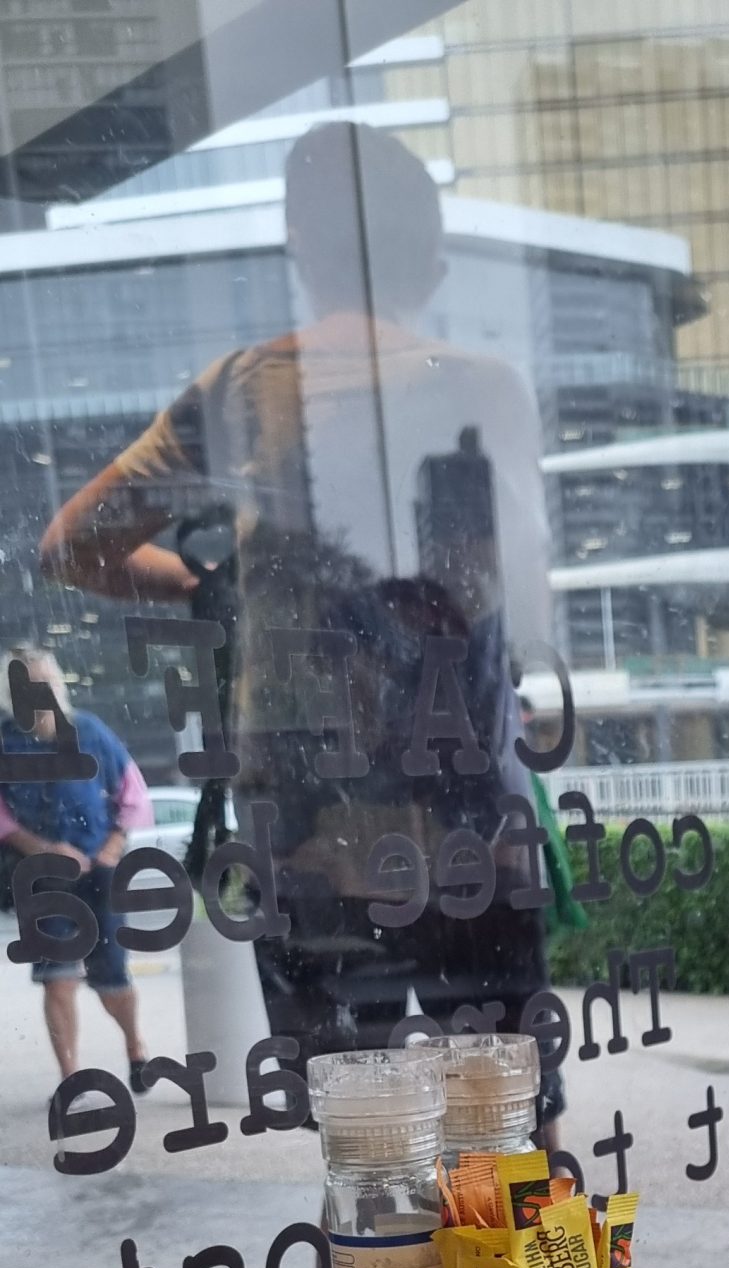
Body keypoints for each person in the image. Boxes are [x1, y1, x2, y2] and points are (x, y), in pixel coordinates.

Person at [38, 121, 563, 1134]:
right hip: (468, 822)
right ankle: (505, 1243)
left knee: (361, 1147)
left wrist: (212, 587)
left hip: (310, 832)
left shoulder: (240, 391)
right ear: (433, 258)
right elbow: (525, 589)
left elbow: (72, 548)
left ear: (300, 249)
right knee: (509, 1129)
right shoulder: (484, 386)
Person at [0, 651, 155, 1087]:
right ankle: (71, 1080)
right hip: (43, 877)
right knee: (58, 980)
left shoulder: (90, 731)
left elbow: (133, 794)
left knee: (112, 980)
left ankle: (135, 1046)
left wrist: (111, 849)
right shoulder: (4, 742)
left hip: (99, 873)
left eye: (47, 682)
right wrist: (41, 848)